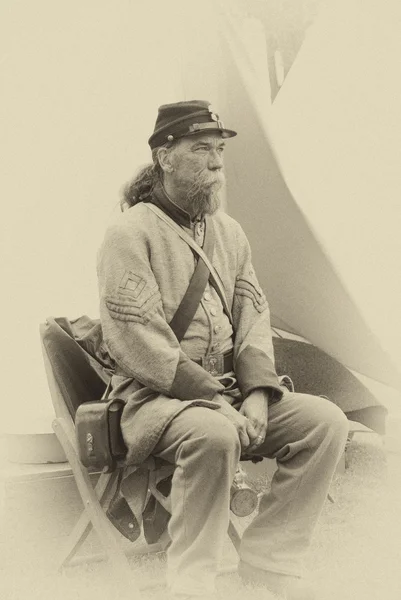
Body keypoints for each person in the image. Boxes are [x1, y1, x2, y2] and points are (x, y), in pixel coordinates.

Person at [97, 100, 349, 600]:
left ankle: (269, 561)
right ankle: (192, 582)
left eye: (220, 151)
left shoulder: (230, 233)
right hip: (157, 401)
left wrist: (257, 395)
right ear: (164, 156)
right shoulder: (130, 233)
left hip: (232, 395)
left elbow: (255, 316)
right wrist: (213, 400)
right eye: (201, 149)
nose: (215, 162)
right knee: (212, 432)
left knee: (326, 422)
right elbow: (137, 338)